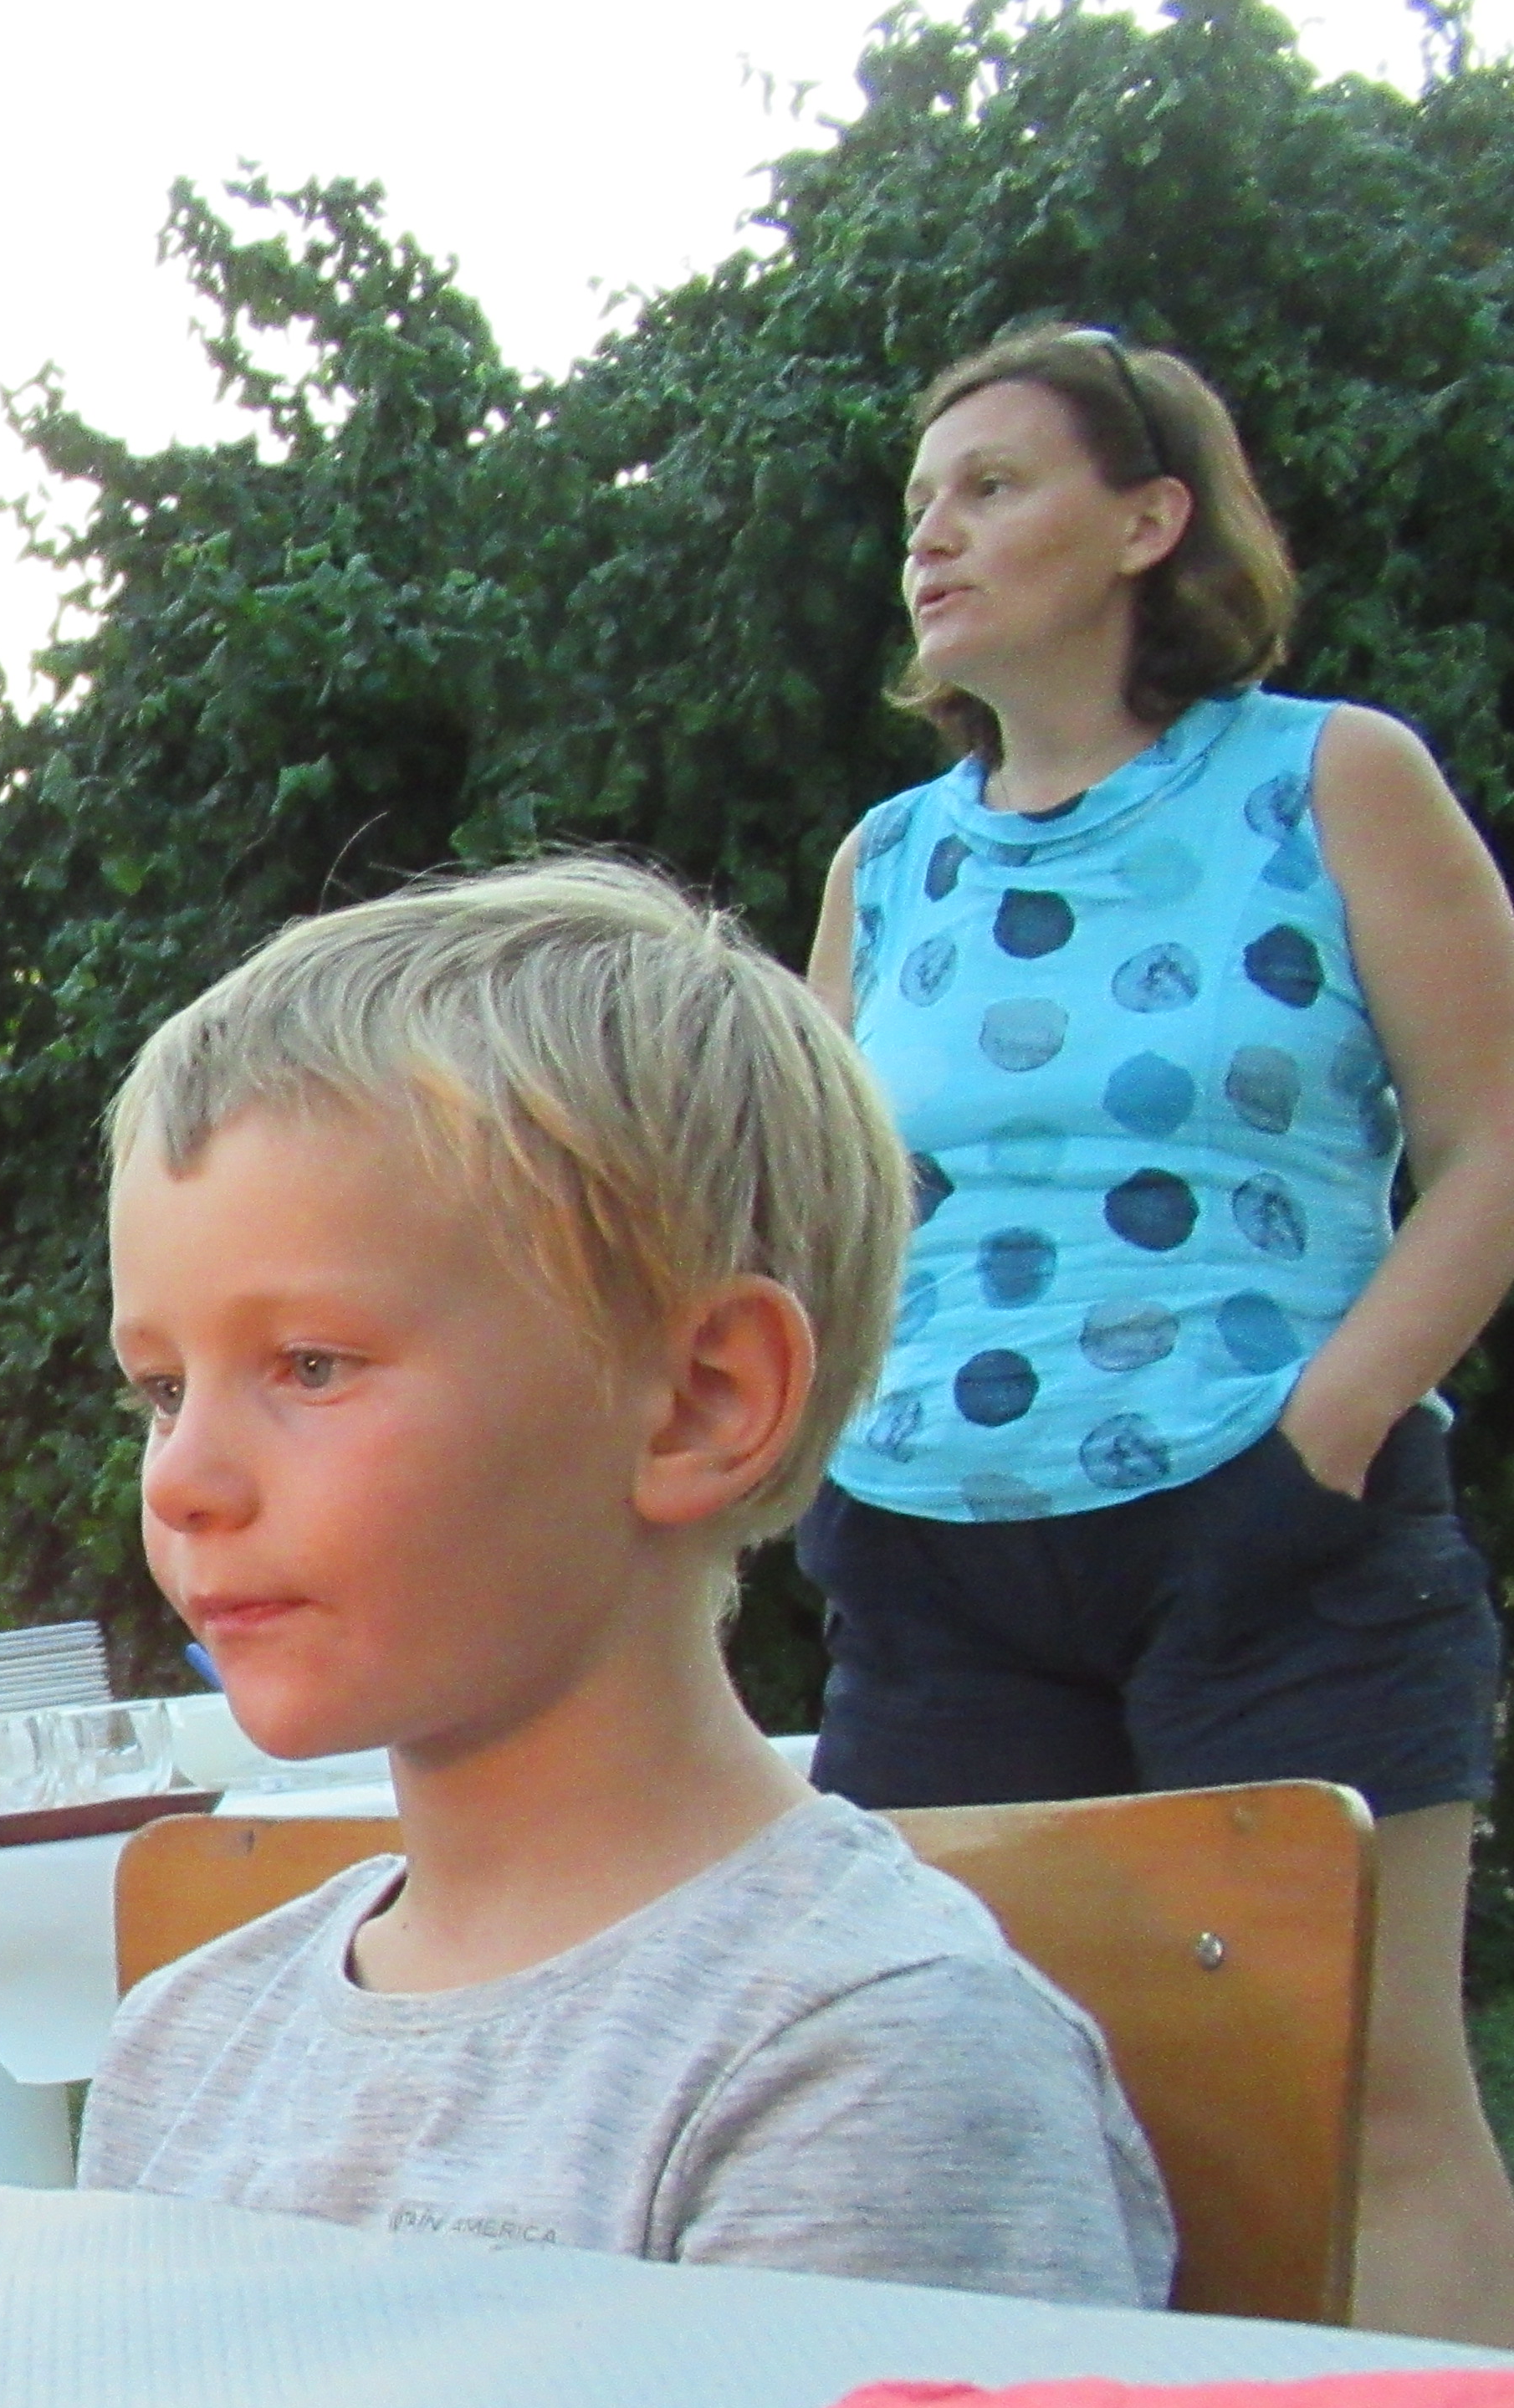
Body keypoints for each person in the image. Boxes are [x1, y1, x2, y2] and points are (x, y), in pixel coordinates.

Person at [80, 857, 1171, 2308]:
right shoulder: (184, 2046)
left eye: (311, 1365)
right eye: (161, 1389)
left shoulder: (865, 2061)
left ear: (699, 1403)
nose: (181, 1479)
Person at [800, 325, 1514, 2345]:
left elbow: (1492, 1139)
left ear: (1146, 521)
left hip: (1274, 1537)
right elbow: (806, 1211)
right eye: (919, 503)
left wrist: (1331, 1429)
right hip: (935, 1568)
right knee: (971, 2103)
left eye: (991, 487)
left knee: (1362, 2104)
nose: (932, 536)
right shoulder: (889, 862)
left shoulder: (1330, 777)